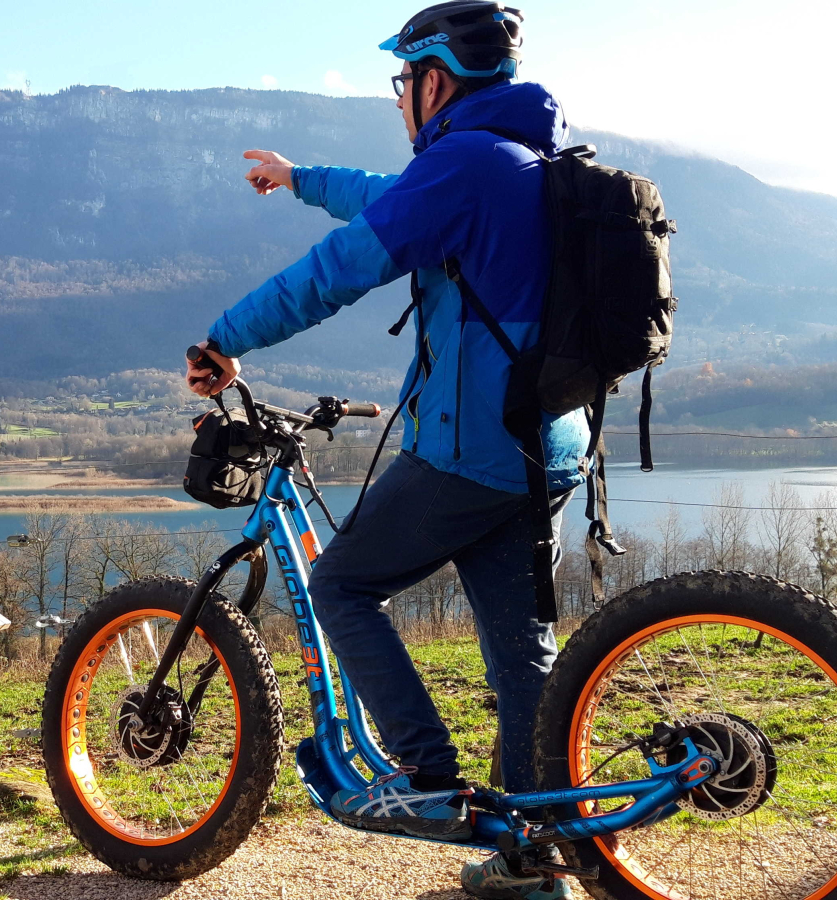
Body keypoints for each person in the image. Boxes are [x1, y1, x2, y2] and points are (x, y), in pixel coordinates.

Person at [184, 4, 585, 898]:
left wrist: (225, 338)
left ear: (435, 80)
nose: (399, 97)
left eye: (403, 80)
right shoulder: (518, 156)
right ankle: (532, 856)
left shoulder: (467, 165)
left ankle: (425, 777)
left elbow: (340, 268)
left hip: (473, 444)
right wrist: (300, 178)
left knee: (342, 583)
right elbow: (387, 198)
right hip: (546, 441)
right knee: (520, 657)